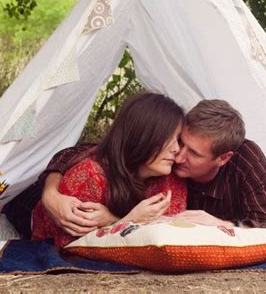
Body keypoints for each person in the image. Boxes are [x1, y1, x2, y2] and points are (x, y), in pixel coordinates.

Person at [39, 99, 266, 236]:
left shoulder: (243, 159)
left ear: (222, 158)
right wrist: (50, 192)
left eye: (195, 154)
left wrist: (223, 224)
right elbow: (83, 152)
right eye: (180, 142)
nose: (179, 155)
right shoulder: (164, 167)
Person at [31, 92, 186, 246]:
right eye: (168, 138)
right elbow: (70, 248)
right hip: (27, 207)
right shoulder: (91, 175)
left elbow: (169, 240)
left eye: (178, 139)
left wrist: (117, 221)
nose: (177, 148)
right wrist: (129, 222)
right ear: (141, 136)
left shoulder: (170, 178)